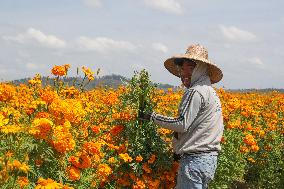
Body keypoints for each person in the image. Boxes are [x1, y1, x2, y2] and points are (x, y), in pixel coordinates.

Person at [139, 44, 224, 189]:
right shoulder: (210, 92)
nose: (183, 73)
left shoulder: (195, 92)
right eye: (182, 69)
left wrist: (151, 116)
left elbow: (182, 123)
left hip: (195, 161)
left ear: (197, 69)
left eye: (187, 68)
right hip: (208, 160)